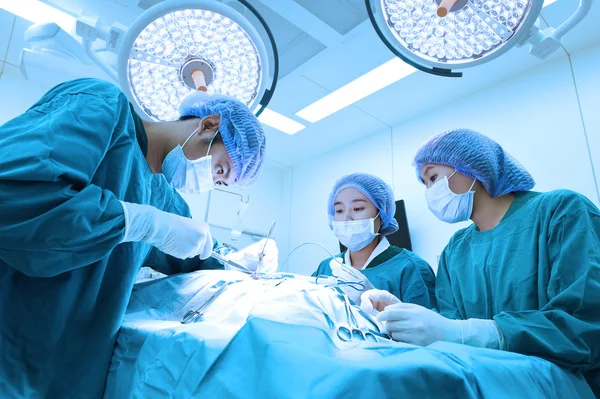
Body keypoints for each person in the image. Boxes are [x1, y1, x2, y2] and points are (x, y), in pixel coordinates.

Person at [0, 78, 275, 398]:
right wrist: (138, 222)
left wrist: (237, 263)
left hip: (72, 376)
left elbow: (196, 260)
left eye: (220, 183)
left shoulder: (167, 203)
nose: (211, 183)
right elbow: (12, 195)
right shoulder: (100, 107)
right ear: (208, 126)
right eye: (221, 169)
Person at [360, 128, 600, 396]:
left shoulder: (560, 211)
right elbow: (452, 327)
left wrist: (485, 333)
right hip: (489, 386)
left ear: (473, 166)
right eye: (425, 183)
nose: (430, 191)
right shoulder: (456, 249)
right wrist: (406, 318)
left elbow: (583, 326)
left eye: (434, 177)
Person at [312, 173, 436, 308]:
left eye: (357, 208)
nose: (346, 218)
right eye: (339, 210)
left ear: (383, 212)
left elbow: (427, 326)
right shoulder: (326, 267)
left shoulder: (411, 268)